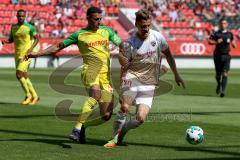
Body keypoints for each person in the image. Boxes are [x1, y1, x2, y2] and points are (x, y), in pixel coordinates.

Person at [24, 7, 121, 143]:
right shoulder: (79, 35)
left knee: (106, 115)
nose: (99, 21)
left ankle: (83, 128)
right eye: (95, 19)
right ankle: (77, 128)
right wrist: (36, 54)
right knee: (95, 95)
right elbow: (58, 47)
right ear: (87, 18)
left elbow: (121, 44)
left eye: (100, 19)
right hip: (90, 71)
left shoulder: (107, 31)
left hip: (105, 76)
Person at [104, 9, 185, 148]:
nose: (146, 29)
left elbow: (169, 55)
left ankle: (122, 132)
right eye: (143, 26)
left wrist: (176, 74)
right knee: (124, 108)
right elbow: (124, 67)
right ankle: (114, 138)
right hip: (132, 79)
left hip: (149, 84)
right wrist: (122, 86)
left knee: (140, 119)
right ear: (136, 24)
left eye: (148, 25)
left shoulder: (158, 37)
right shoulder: (129, 43)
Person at [2, 9, 40, 105]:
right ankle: (35, 96)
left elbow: (37, 39)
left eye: (23, 16)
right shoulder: (13, 27)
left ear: (25, 16)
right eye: (19, 16)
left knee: (18, 74)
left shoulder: (30, 27)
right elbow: (12, 39)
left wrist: (30, 49)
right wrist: (6, 41)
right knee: (24, 76)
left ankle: (28, 96)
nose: (21, 18)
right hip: (17, 54)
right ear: (16, 16)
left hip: (26, 54)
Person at [208, 19, 236, 97]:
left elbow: (233, 41)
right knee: (218, 75)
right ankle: (218, 84)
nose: (223, 24)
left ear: (227, 24)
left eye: (224, 23)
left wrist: (233, 44)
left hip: (226, 56)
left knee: (225, 74)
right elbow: (209, 41)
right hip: (217, 56)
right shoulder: (216, 33)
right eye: (221, 23)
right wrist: (216, 42)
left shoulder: (230, 34)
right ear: (220, 25)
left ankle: (222, 91)